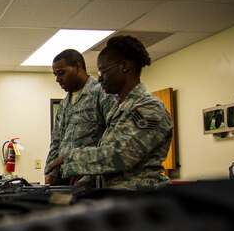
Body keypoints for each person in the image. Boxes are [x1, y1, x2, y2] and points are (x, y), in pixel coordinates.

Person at [45, 35, 173, 190]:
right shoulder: (121, 109)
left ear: (124, 66)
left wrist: (71, 158)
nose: (99, 79)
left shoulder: (149, 107)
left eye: (103, 71)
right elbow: (108, 159)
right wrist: (87, 180)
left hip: (139, 199)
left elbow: (121, 155)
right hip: (113, 197)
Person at [45, 49, 116, 185]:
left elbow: (112, 138)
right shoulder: (64, 103)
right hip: (64, 176)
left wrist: (90, 173)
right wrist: (50, 172)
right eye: (55, 75)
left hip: (89, 177)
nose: (58, 79)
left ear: (77, 67)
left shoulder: (102, 93)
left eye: (61, 73)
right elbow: (56, 140)